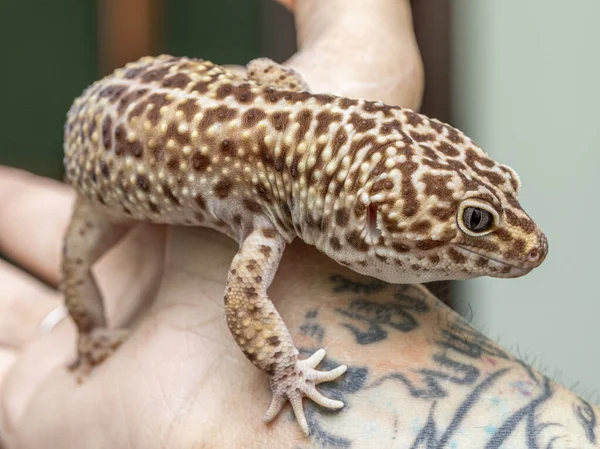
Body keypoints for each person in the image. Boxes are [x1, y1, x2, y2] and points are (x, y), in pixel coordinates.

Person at [0, 0, 597, 447]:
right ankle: (90, 337)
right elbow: (241, 298)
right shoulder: (268, 207)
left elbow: (265, 69)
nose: (523, 244)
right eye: (476, 222)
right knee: (77, 259)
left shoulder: (291, 126)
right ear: (369, 213)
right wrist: (285, 367)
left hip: (162, 98)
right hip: (100, 157)